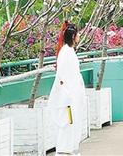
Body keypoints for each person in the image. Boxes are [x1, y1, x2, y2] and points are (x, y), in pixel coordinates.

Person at [48, 22, 86, 156]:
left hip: (73, 92)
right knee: (67, 121)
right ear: (74, 36)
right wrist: (66, 93)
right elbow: (61, 76)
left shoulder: (69, 51)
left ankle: (70, 147)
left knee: (72, 121)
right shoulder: (65, 52)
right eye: (78, 34)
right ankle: (65, 148)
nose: (79, 36)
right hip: (68, 95)